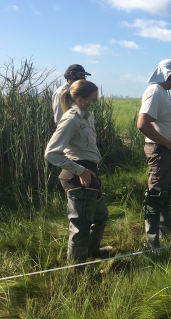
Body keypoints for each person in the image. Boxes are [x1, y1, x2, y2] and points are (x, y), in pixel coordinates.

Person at [45, 79, 110, 263]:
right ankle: (77, 273)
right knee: (80, 227)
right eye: (93, 100)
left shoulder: (87, 117)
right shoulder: (71, 119)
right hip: (78, 176)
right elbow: (51, 153)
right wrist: (80, 171)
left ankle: (92, 251)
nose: (95, 103)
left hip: (90, 172)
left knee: (101, 216)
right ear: (82, 100)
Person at [136, 59, 171, 248]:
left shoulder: (163, 93)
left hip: (169, 151)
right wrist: (167, 143)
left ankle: (165, 234)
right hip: (161, 151)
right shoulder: (154, 92)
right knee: (156, 195)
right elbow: (142, 124)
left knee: (166, 193)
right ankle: (153, 244)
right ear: (170, 76)